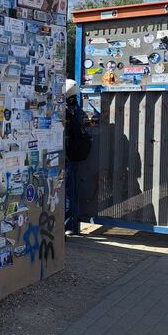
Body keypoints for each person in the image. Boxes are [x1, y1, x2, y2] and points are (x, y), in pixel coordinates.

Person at [64, 79, 91, 235]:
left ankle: (68, 225)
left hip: (67, 155)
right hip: (76, 155)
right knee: (73, 190)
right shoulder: (77, 108)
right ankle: (73, 225)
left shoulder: (66, 109)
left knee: (67, 192)